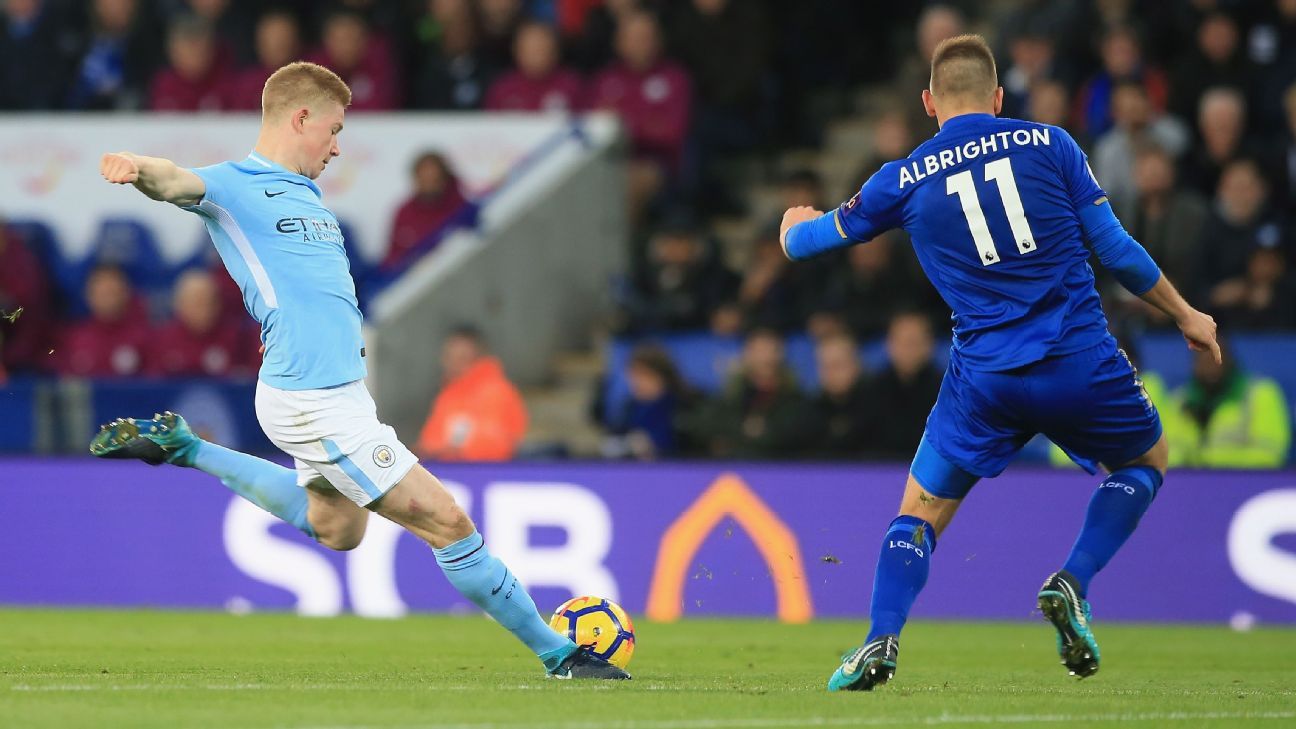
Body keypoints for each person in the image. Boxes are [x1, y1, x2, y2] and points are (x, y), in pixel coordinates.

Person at [89, 61, 628, 680]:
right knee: (446, 520)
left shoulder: (309, 197)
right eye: (335, 129)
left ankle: (186, 448)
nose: (338, 145)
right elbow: (174, 182)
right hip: (310, 400)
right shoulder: (233, 185)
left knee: (337, 529)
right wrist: (135, 166)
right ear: (301, 118)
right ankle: (560, 655)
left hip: (342, 396)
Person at [780, 34, 1218, 691]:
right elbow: (1116, 250)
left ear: (929, 102)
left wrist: (792, 226)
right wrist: (1185, 313)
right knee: (1146, 462)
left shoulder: (903, 176)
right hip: (1079, 360)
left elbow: (812, 241)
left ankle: (879, 639)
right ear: (999, 96)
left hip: (985, 381)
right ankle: (1072, 578)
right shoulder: (1053, 145)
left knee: (918, 513)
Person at [1164, 340, 1291, 468]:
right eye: (1201, 359)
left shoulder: (1260, 394)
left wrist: (1207, 459)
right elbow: (1165, 453)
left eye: (1215, 358)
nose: (1208, 366)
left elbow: (1270, 455)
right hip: (1187, 482)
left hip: (1247, 482)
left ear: (1230, 361)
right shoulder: (1181, 400)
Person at [415, 326, 528, 461]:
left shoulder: (495, 392)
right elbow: (428, 442)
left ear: (477, 359)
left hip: (479, 473)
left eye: (461, 358)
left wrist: (447, 451)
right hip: (448, 472)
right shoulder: (448, 396)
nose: (452, 364)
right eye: (448, 356)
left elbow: (494, 445)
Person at [860, 312, 942, 460]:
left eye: (914, 342)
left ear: (929, 344)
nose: (909, 350)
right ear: (889, 344)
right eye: (903, 342)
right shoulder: (871, 390)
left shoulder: (947, 390)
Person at [148, 269, 256, 378]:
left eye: (209, 302)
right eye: (196, 303)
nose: (204, 311)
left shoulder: (236, 338)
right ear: (179, 305)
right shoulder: (163, 339)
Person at [57, 264, 152, 377]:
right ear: (89, 295)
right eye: (101, 293)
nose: (107, 299)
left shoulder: (144, 338)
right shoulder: (75, 339)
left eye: (112, 292)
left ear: (125, 293)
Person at [383, 151, 471, 271]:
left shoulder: (462, 210)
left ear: (444, 179)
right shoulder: (404, 213)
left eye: (434, 180)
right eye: (424, 180)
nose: (429, 186)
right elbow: (392, 258)